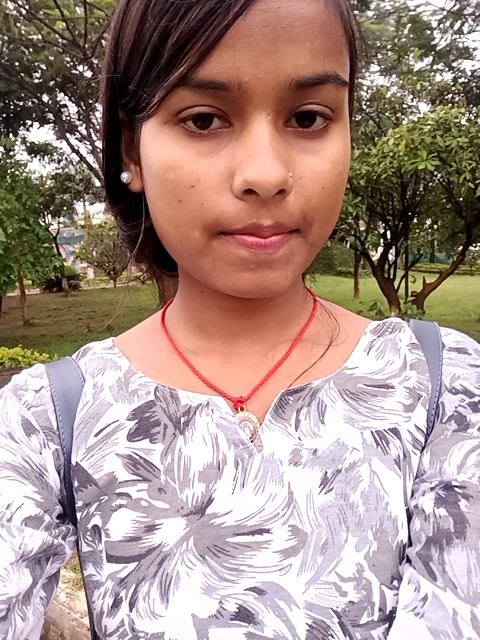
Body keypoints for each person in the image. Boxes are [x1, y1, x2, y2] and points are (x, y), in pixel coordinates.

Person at [1, 0, 479, 638]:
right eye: (203, 119)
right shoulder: (45, 421)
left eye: (308, 118)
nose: (266, 175)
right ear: (132, 151)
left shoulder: (448, 389)